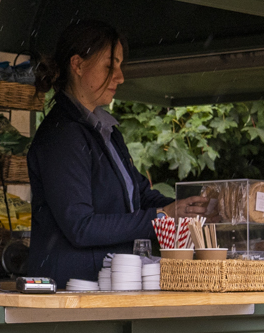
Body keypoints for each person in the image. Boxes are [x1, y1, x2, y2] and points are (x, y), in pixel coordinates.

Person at [25, 19, 209, 282]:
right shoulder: (62, 134)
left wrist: (191, 207)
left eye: (120, 67)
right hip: (72, 290)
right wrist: (161, 217)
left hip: (105, 285)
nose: (120, 77)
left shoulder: (106, 131)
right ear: (77, 65)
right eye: (110, 66)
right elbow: (81, 226)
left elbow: (139, 195)